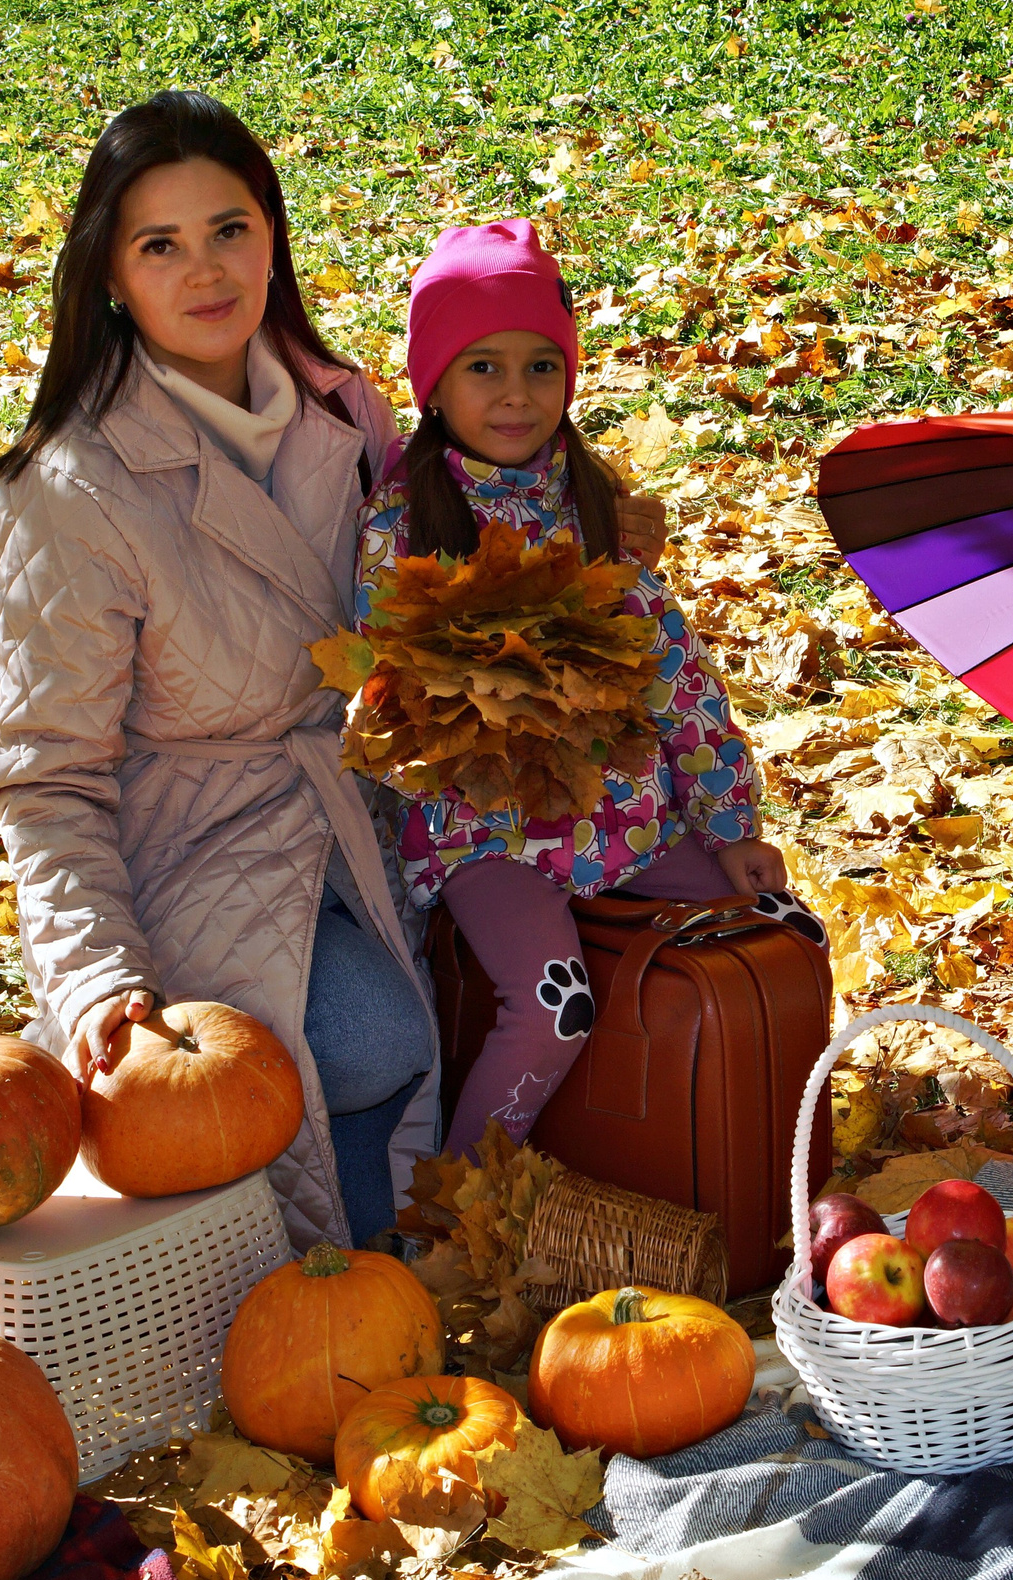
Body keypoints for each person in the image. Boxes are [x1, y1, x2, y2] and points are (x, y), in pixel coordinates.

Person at [0, 96, 669, 1247]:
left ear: (272, 235)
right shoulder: (70, 491)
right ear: (111, 273)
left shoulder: (339, 405)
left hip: (368, 803)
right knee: (376, 1043)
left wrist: (597, 538)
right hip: (194, 844)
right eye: (161, 245)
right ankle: (356, 1284)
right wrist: (97, 976)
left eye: (230, 230)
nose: (206, 273)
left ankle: (411, 1265)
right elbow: (46, 777)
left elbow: (453, 533)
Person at [355, 218, 811, 1151]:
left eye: (541, 366)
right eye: (483, 366)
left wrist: (730, 830)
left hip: (623, 820)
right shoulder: (403, 523)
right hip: (484, 833)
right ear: (433, 381)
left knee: (774, 931)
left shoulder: (593, 505)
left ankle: (740, 1155)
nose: (517, 394)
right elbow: (388, 706)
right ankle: (467, 1194)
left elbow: (677, 680)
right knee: (553, 1002)